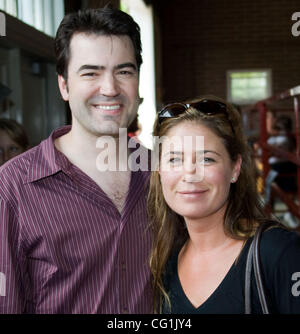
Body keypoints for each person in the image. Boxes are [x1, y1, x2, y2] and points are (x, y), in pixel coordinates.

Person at [0, 7, 152, 314]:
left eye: (124, 71)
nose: (110, 89)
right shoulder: (12, 187)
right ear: (64, 85)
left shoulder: (165, 173)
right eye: (91, 73)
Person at [148, 96, 300, 314]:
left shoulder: (279, 253)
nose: (189, 174)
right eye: (174, 160)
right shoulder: (163, 259)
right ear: (159, 170)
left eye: (206, 159)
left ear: (235, 168)